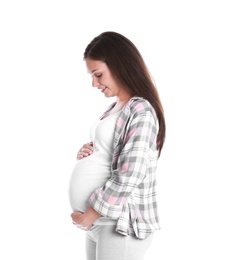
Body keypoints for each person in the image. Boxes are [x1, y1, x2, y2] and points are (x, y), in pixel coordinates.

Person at [69, 31, 166, 260]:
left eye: (98, 74)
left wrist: (91, 214)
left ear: (119, 65)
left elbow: (131, 173)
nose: (94, 83)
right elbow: (113, 153)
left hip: (121, 222)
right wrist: (90, 152)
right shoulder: (116, 107)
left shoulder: (141, 110)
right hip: (102, 222)